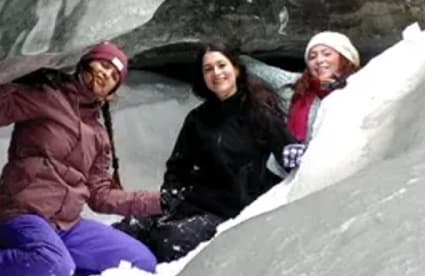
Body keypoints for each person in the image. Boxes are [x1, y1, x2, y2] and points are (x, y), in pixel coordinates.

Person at [0, 42, 163, 276]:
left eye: (113, 76)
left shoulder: (99, 135)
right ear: (87, 61)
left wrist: (161, 200)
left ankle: (42, 268)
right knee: (55, 266)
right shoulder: (47, 96)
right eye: (104, 64)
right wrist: (17, 70)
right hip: (22, 214)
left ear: (110, 93)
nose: (105, 74)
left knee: (142, 263)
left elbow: (100, 195)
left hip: (67, 225)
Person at [115, 44, 294, 263]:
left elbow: (287, 150)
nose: (216, 73)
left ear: (236, 69)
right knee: (129, 227)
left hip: (229, 211)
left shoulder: (259, 113)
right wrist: (171, 194)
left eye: (221, 65)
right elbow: (178, 166)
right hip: (191, 201)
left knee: (168, 241)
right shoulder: (198, 118)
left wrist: (302, 158)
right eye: (208, 69)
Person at [282, 31, 361, 170]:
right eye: (312, 57)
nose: (319, 60)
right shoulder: (301, 94)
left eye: (327, 53)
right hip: (301, 173)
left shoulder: (363, 87)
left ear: (345, 58)